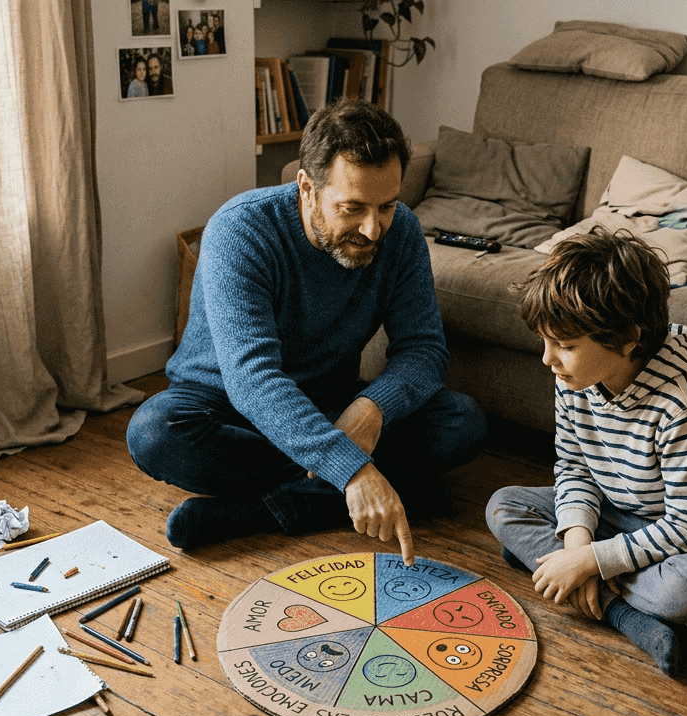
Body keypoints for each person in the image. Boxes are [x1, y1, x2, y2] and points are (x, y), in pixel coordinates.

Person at [127, 98, 487, 565]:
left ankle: (260, 512)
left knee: (463, 421)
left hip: (332, 400)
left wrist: (371, 408)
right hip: (227, 406)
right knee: (156, 432)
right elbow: (253, 380)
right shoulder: (239, 231)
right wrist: (352, 469)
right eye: (353, 208)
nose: (374, 229)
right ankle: (366, 492)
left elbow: (423, 350)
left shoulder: (402, 233)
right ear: (306, 188)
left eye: (387, 206)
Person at [485, 226, 687, 676]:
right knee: (503, 506)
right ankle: (620, 610)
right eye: (546, 341)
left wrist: (589, 561)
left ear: (627, 336)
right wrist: (579, 542)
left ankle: (563, 574)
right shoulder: (577, 378)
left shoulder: (685, 406)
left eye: (565, 345)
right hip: (621, 511)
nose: (547, 359)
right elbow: (575, 467)